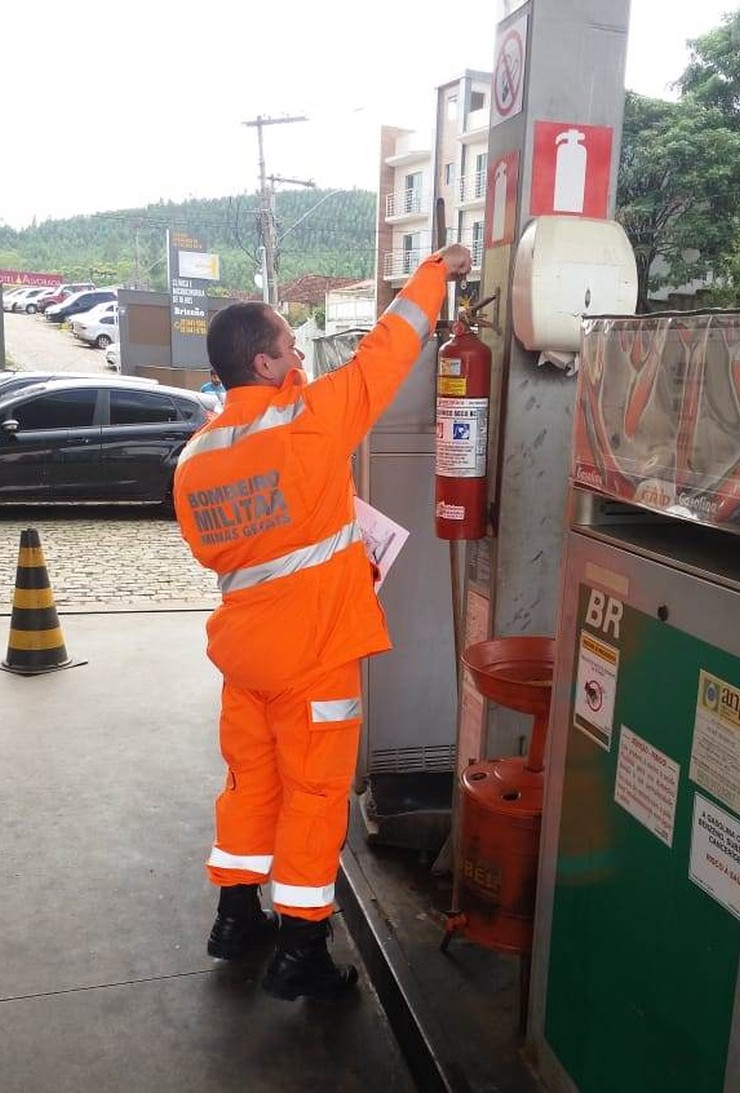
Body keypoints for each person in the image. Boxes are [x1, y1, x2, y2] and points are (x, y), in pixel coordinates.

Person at [173, 243, 472, 1002]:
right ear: (268, 365)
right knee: (312, 798)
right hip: (313, 656)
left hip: (246, 660)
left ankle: (236, 918)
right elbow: (388, 349)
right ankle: (302, 948)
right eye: (289, 343)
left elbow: (231, 547)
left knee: (250, 785)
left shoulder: (194, 459)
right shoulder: (307, 423)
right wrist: (437, 271)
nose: (299, 349)